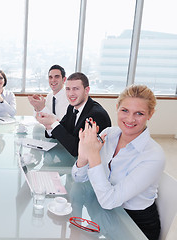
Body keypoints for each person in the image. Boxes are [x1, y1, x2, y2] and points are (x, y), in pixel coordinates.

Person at [72, 85, 165, 240]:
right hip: (106, 215)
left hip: (135, 226)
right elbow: (79, 178)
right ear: (117, 108)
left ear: (150, 114)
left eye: (139, 113)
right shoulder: (109, 134)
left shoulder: (154, 156)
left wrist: (93, 155)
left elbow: (109, 201)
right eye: (125, 110)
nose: (130, 119)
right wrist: (83, 155)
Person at [36, 72, 111, 157]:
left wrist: (53, 122)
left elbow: (77, 149)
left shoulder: (96, 115)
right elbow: (63, 130)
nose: (71, 93)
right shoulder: (72, 107)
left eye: (76, 89)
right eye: (68, 89)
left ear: (86, 90)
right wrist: (48, 124)